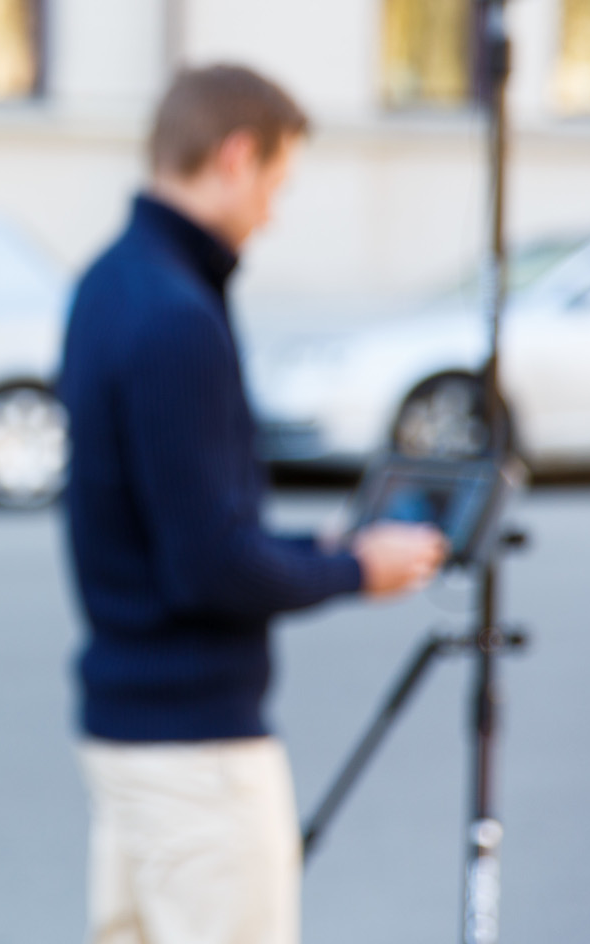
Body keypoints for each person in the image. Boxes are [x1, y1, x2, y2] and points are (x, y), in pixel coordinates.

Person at [58, 65, 446, 944]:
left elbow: (165, 517)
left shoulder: (107, 284)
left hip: (126, 734)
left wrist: (307, 544)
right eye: (278, 182)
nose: (274, 210)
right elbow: (208, 566)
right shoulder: (178, 316)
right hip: (198, 756)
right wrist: (357, 567)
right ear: (236, 157)